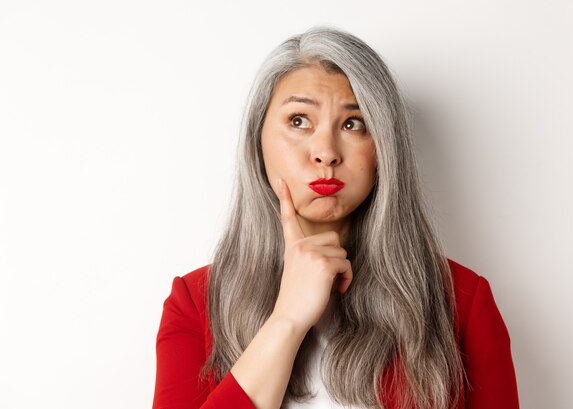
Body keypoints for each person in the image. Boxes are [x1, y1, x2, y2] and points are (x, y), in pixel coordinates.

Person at [152, 25, 520, 409]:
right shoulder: (196, 303)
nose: (326, 152)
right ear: (257, 141)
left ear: (383, 150)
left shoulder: (460, 301)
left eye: (352, 124)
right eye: (299, 121)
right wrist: (288, 318)